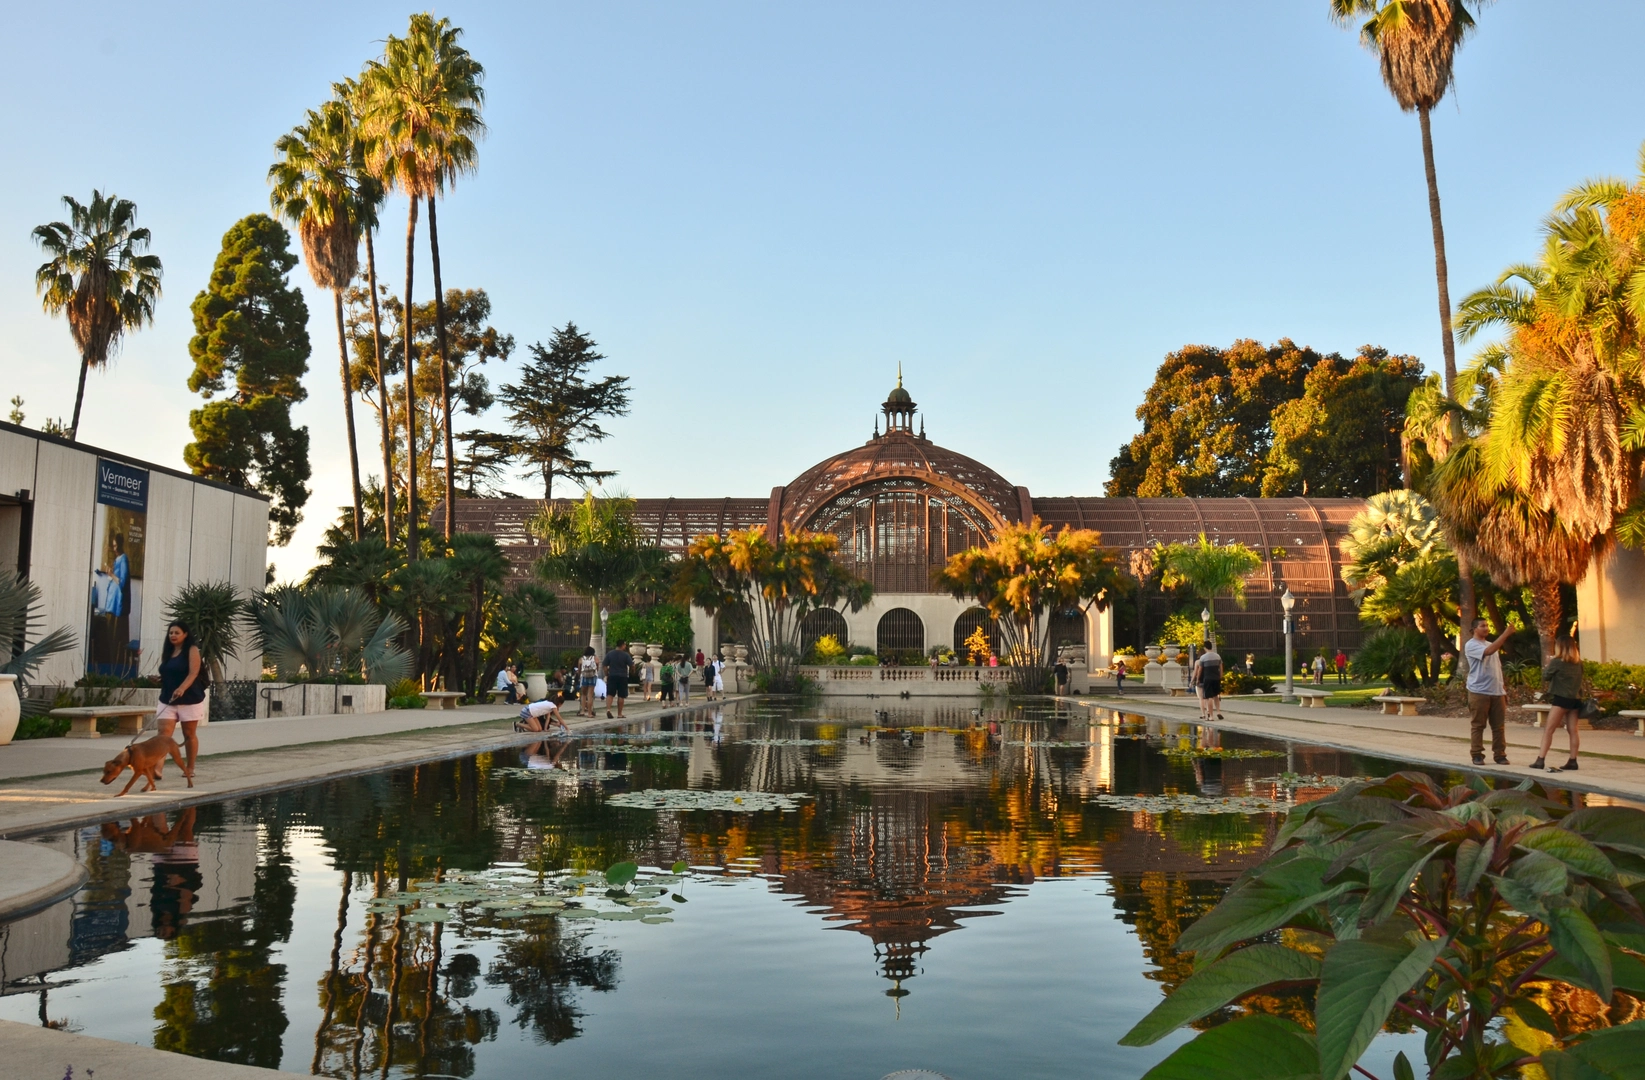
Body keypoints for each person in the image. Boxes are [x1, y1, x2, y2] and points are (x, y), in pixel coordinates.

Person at [154, 621, 205, 781]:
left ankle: (190, 767)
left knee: (189, 734)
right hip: (168, 699)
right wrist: (160, 679)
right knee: (163, 735)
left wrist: (182, 688)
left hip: (189, 699)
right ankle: (157, 768)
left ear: (185, 634)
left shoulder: (192, 650)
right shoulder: (168, 652)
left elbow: (193, 673)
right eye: (171, 633)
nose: (173, 636)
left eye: (177, 633)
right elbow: (170, 672)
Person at [1464, 618, 1515, 766]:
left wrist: (1502, 688)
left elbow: (1496, 667)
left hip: (1496, 691)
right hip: (1478, 691)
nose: (1486, 628)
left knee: (1499, 726)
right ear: (1474, 629)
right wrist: (1506, 633)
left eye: (1487, 625)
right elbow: (1488, 651)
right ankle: (1477, 754)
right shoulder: (1471, 645)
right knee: (1478, 725)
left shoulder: (1490, 644)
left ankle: (1500, 754)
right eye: (1482, 626)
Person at [1532, 635, 1584, 771]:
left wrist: (1550, 662)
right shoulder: (1578, 662)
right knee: (1573, 731)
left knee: (1549, 729)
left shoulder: (1557, 662)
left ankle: (1540, 759)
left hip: (1561, 699)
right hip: (1575, 699)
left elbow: (1545, 677)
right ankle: (1573, 760)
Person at [1193, 640, 1225, 722]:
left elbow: (1200, 670)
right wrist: (1220, 676)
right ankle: (1218, 711)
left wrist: (1198, 679)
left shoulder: (1203, 657)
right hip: (1216, 678)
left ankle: (1211, 716)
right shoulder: (1217, 656)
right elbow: (1221, 667)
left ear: (1205, 648)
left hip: (1208, 678)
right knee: (1216, 695)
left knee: (1209, 697)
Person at [604, 640, 634, 719]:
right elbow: (632, 665)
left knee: (610, 694)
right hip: (622, 676)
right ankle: (619, 714)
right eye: (625, 645)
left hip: (612, 676)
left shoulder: (610, 654)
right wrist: (632, 672)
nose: (625, 646)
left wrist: (606, 673)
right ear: (622, 645)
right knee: (621, 695)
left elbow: (604, 665)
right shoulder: (626, 655)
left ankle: (608, 709)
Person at [576, 646, 599, 717]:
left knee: (583, 695)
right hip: (592, 677)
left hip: (584, 677)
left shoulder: (581, 659)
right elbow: (597, 668)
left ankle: (582, 711)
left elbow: (579, 670)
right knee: (590, 695)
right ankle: (589, 713)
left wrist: (580, 675)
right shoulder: (595, 658)